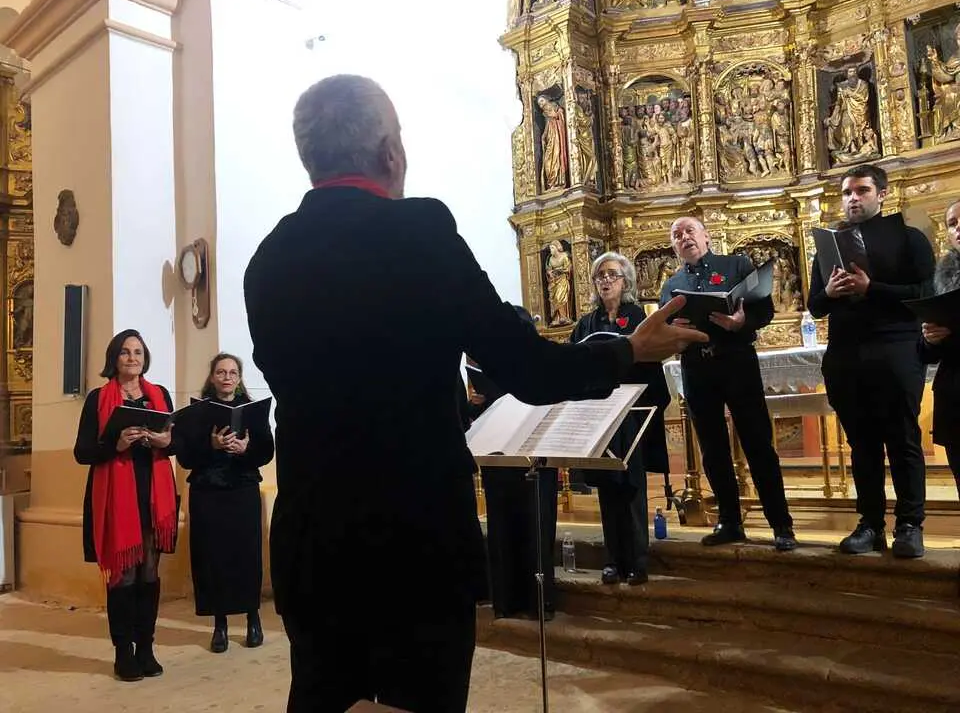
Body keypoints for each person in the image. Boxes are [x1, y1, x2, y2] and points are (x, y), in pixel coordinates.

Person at [243, 74, 707, 713]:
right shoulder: (421, 231)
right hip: (415, 535)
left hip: (312, 537)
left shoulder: (267, 259)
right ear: (390, 154)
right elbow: (528, 370)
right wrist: (629, 349)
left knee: (323, 694)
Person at [808, 163, 935, 558]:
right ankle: (870, 524)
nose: (852, 198)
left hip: (895, 348)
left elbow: (924, 293)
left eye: (861, 191)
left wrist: (872, 287)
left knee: (902, 439)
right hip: (846, 354)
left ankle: (910, 524)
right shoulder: (829, 245)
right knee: (861, 445)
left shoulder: (909, 238)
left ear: (881, 194)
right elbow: (815, 307)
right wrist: (828, 290)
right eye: (847, 192)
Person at [660, 216, 796, 552]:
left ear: (705, 236)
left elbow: (764, 310)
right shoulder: (671, 285)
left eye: (689, 230)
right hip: (696, 367)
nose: (684, 237)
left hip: (736, 360)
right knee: (712, 448)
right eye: (677, 235)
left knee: (758, 442)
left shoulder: (735, 265)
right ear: (674, 246)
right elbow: (663, 329)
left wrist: (741, 321)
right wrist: (673, 325)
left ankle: (781, 524)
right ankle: (730, 522)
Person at [73, 330, 178, 682]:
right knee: (124, 577)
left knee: (149, 574)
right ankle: (124, 652)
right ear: (114, 359)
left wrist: (166, 440)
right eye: (125, 352)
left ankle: (146, 648)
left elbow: (172, 441)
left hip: (153, 494)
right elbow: (82, 452)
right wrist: (115, 445)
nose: (132, 357)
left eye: (137, 352)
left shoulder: (160, 395)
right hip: (117, 497)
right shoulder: (97, 399)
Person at [570, 253, 672, 585]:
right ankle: (613, 559)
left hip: (631, 411)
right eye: (600, 275)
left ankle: (638, 559)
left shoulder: (637, 316)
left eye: (612, 274)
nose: (605, 280)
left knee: (632, 486)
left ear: (625, 281)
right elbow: (576, 361)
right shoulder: (587, 323)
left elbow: (648, 359)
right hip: (600, 413)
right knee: (607, 487)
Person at [464, 305, 559, 620]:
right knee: (502, 522)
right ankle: (506, 599)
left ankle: (538, 601)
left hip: (533, 447)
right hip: (498, 449)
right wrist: (476, 404)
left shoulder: (538, 361)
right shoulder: (485, 366)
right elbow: (479, 411)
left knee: (536, 523)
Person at [176, 353, 274, 653]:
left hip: (242, 491)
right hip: (208, 493)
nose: (227, 377)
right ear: (212, 377)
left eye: (233, 372)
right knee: (212, 558)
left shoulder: (252, 411)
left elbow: (266, 452)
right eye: (221, 371)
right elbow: (185, 457)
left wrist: (246, 447)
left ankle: (253, 618)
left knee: (246, 555)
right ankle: (220, 624)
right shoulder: (197, 412)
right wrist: (211, 444)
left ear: (239, 377)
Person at [919, 199, 960, 498]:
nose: (959, 229)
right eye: (953, 224)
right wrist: (930, 339)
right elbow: (929, 353)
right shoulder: (941, 277)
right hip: (956, 390)